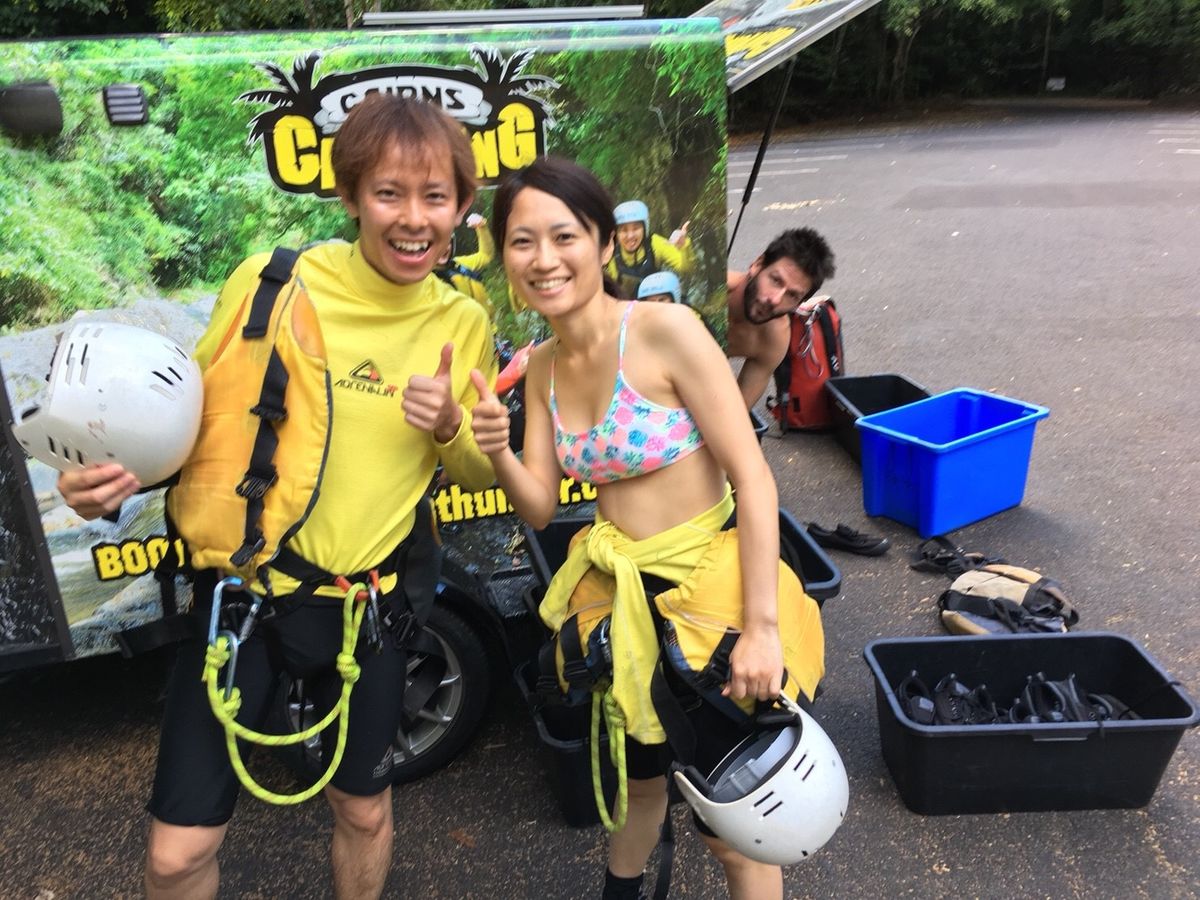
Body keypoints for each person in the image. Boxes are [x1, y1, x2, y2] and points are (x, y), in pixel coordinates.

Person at [55, 94, 497, 900]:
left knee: (363, 811)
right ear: (351, 196)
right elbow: (195, 425)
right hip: (246, 599)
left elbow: (475, 473)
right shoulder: (272, 284)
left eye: (436, 196)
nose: (414, 218)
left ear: (461, 207)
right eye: (389, 193)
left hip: (366, 609)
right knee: (176, 854)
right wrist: (104, 487)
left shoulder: (462, 321)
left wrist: (449, 427)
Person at [468, 157, 824, 900]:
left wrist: (762, 629)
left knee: (736, 829)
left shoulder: (666, 331)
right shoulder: (543, 367)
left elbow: (753, 478)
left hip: (710, 602)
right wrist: (498, 448)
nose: (543, 258)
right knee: (641, 786)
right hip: (628, 609)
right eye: (522, 241)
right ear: (505, 257)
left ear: (604, 244)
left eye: (564, 235)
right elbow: (540, 508)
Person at [725, 228, 836, 409]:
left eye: (792, 295)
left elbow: (737, 411)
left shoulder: (774, 337)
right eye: (776, 280)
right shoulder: (704, 290)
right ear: (757, 265)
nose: (775, 300)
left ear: (800, 302)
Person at [604, 199, 694, 298]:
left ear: (645, 228)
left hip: (655, 300)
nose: (630, 236)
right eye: (624, 230)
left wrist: (684, 246)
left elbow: (686, 268)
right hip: (627, 303)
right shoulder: (610, 252)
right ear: (616, 233)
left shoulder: (655, 243)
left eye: (636, 228)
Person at [436, 211, 495, 315]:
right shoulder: (424, 281)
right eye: (436, 244)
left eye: (447, 241)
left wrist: (481, 227)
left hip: (488, 324)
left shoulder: (460, 263)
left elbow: (486, 256)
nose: (443, 248)